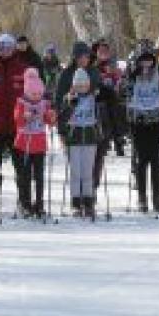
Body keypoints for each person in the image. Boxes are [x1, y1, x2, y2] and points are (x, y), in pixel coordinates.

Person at [0, 33, 29, 218]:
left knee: (22, 167)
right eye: (1, 47)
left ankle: (24, 203)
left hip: (18, 128)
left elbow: (33, 94)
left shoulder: (23, 69)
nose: (5, 50)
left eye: (8, 46)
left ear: (13, 48)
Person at [123, 41, 159, 214]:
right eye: (142, 60)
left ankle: (157, 198)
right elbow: (123, 92)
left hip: (156, 119)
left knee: (155, 159)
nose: (146, 63)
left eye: (149, 59)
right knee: (141, 159)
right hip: (138, 120)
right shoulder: (132, 71)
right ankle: (142, 197)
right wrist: (131, 78)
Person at [13, 68, 56, 218]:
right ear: (27, 92)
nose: (37, 97)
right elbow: (17, 120)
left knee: (39, 176)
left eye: (39, 94)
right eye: (33, 94)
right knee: (25, 175)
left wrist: (50, 116)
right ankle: (25, 203)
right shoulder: (21, 102)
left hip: (39, 144)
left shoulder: (44, 103)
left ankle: (39, 204)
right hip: (24, 143)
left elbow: (49, 120)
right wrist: (25, 116)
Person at [60, 67, 101, 218]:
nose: (82, 87)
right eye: (79, 84)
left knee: (88, 172)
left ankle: (89, 201)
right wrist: (71, 104)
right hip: (74, 139)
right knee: (76, 172)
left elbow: (100, 114)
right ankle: (76, 203)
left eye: (84, 84)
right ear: (74, 85)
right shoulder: (69, 97)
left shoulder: (93, 98)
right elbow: (62, 118)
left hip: (90, 138)